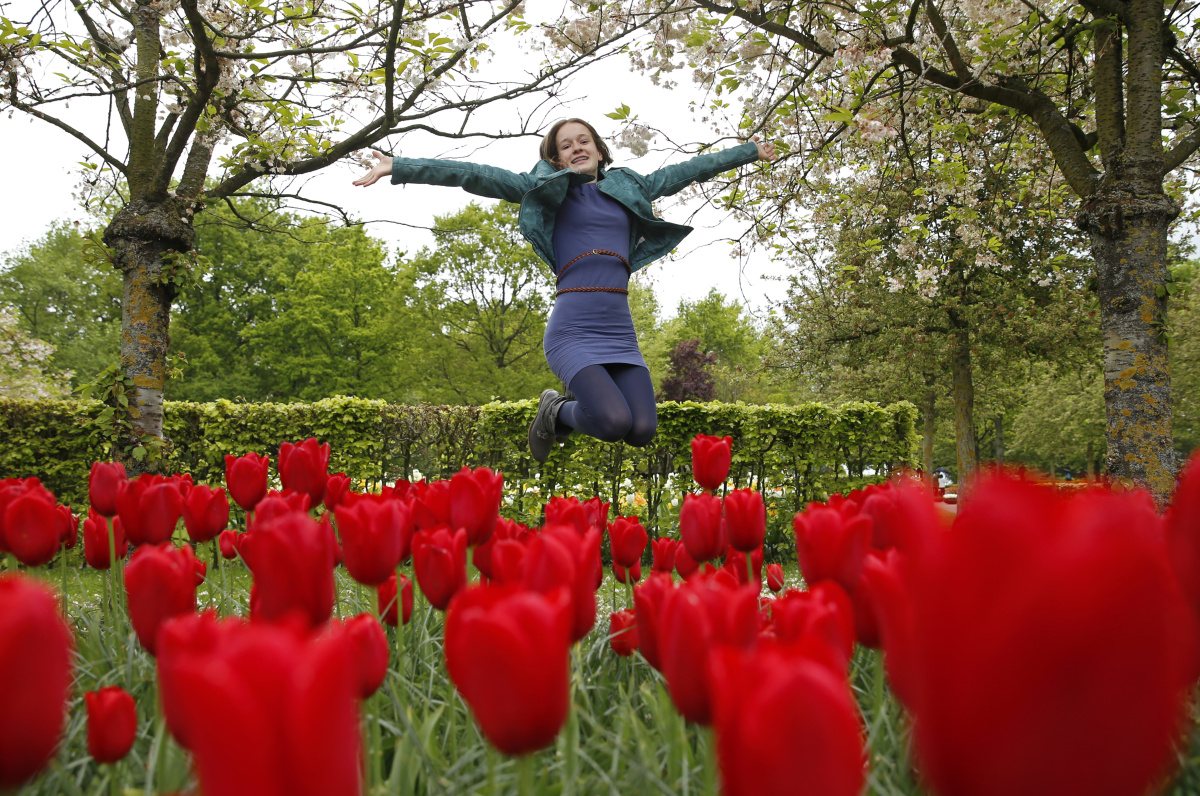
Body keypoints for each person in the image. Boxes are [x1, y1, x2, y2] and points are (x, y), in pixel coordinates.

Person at [354, 119, 775, 461]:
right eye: (566, 145)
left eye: (584, 141)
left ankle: (560, 410)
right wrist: (400, 167)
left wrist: (749, 151)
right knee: (612, 423)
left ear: (600, 150)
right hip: (573, 329)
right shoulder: (543, 192)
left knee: (642, 430)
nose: (577, 148)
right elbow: (473, 175)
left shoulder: (632, 187)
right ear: (556, 158)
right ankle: (555, 409)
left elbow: (689, 170)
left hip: (619, 330)